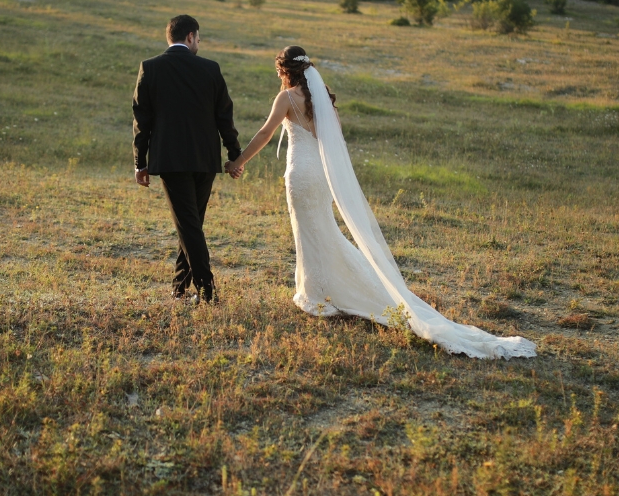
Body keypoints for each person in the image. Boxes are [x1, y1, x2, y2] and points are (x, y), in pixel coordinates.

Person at [228, 46, 536, 358]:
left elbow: (265, 133)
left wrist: (238, 161)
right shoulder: (322, 101)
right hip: (320, 177)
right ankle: (319, 291)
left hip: (299, 176)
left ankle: (319, 295)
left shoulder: (286, 98)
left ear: (285, 71)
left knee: (311, 233)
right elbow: (332, 142)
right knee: (322, 231)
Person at [132, 15, 242, 303]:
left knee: (189, 224)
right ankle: (180, 288)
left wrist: (139, 162)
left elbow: (141, 120)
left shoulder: (150, 68)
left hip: (170, 159)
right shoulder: (210, 68)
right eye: (199, 39)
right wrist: (233, 154)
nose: (198, 44)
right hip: (205, 159)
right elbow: (224, 117)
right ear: (191, 36)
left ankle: (206, 293)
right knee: (191, 223)